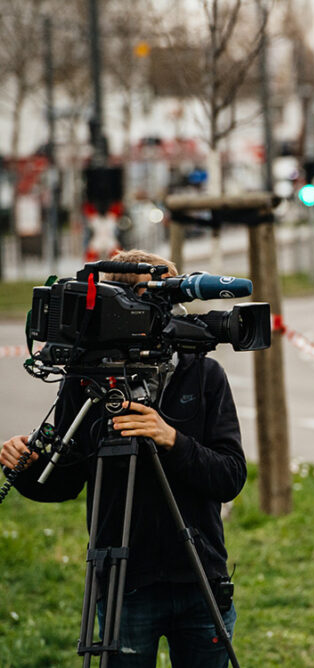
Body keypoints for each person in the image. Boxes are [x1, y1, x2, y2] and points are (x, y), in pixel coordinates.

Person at [0, 250, 245, 668]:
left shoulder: (204, 374)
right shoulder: (87, 381)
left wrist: (172, 440)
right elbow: (65, 482)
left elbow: (230, 477)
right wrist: (23, 467)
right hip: (125, 583)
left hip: (199, 576)